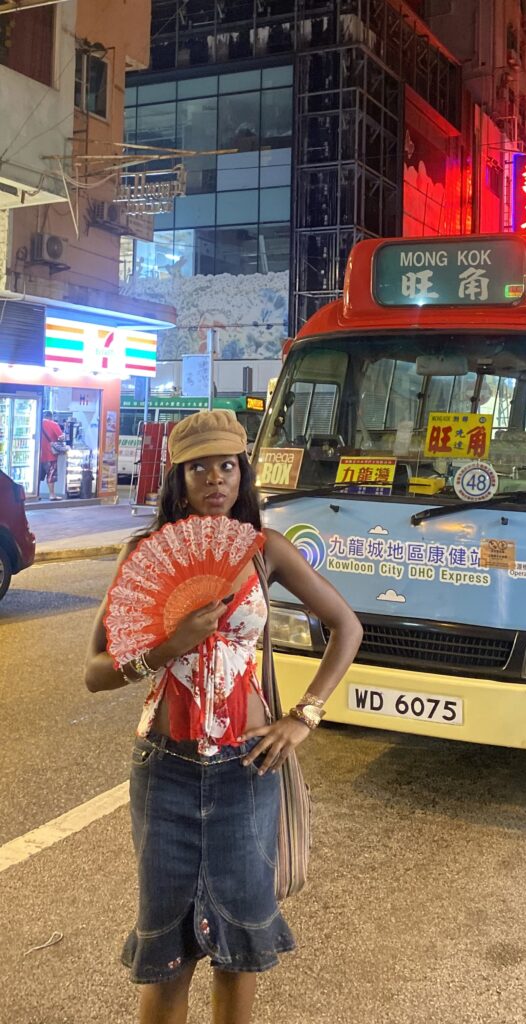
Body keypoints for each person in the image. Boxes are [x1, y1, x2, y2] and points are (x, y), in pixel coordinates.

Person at [84, 410, 362, 1024]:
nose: (216, 478)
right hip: (165, 775)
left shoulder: (267, 552)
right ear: (178, 479)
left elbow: (347, 627)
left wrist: (304, 716)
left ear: (244, 474)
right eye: (199, 466)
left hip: (247, 771)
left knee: (240, 949)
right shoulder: (142, 553)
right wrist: (166, 646)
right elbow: (96, 671)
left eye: (228, 464)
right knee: (168, 952)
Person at [39, 410, 65, 500]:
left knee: (37, 476)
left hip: (38, 455)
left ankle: (35, 494)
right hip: (50, 455)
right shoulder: (53, 424)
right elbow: (61, 437)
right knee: (51, 475)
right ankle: (52, 495)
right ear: (51, 416)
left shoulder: (37, 423)